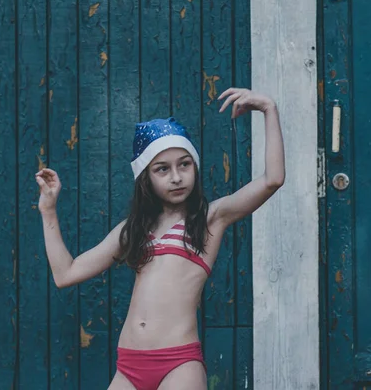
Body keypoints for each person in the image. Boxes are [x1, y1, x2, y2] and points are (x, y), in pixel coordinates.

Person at [35, 87, 285, 390]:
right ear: (146, 178)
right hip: (128, 366)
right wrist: (48, 210)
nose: (177, 176)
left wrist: (269, 108)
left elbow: (273, 180)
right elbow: (66, 273)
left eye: (184, 164)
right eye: (162, 169)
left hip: (178, 363)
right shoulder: (133, 230)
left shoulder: (211, 218)